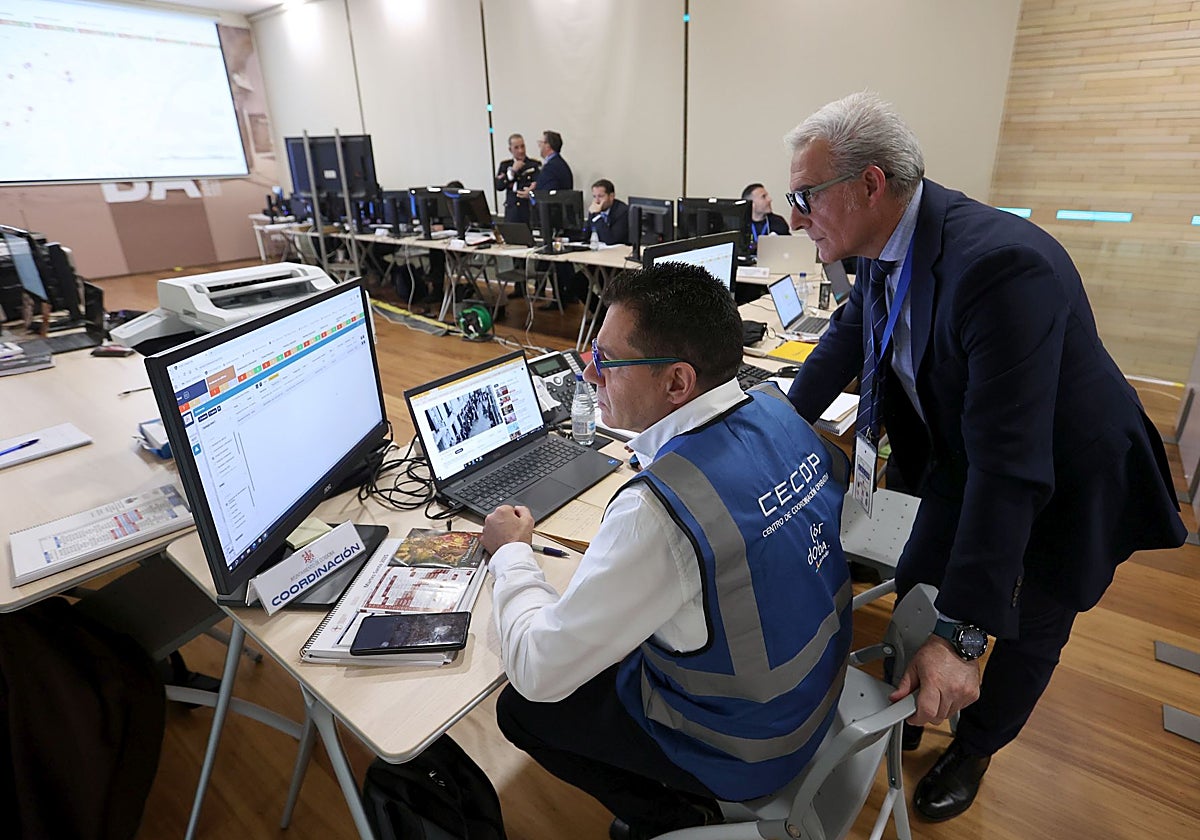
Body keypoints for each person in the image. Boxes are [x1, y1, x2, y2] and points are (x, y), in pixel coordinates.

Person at [782, 92, 1187, 822]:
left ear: (871, 184)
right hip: (966, 455)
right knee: (920, 574)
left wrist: (964, 636)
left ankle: (976, 744)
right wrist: (776, 425)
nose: (793, 217)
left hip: (1067, 477)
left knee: (1026, 626)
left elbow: (1013, 469)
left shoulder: (998, 266)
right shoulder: (882, 242)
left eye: (805, 196)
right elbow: (848, 333)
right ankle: (917, 698)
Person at [482, 262, 853, 840]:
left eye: (606, 359)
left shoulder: (657, 514)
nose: (589, 371)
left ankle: (672, 816)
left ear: (678, 383)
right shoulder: (781, 412)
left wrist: (511, 555)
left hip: (746, 749)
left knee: (521, 709)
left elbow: (536, 670)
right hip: (813, 695)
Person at [553, 179, 630, 308]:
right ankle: (599, 314)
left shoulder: (622, 211)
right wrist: (565, 240)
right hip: (599, 260)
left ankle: (606, 315)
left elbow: (611, 239)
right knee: (576, 283)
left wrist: (597, 215)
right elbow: (585, 235)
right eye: (594, 196)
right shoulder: (594, 210)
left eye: (600, 196)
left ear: (611, 196)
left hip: (616, 263)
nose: (597, 200)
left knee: (604, 284)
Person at [494, 133, 541, 224]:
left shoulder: (533, 164)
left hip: (528, 212)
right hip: (512, 212)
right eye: (516, 147)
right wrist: (512, 172)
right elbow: (499, 186)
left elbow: (537, 184)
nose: (521, 151)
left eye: (522, 146)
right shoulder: (505, 165)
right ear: (510, 149)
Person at [741, 183, 790, 256]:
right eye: (764, 197)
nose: (770, 199)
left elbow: (789, 249)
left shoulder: (778, 222)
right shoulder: (741, 224)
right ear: (751, 204)